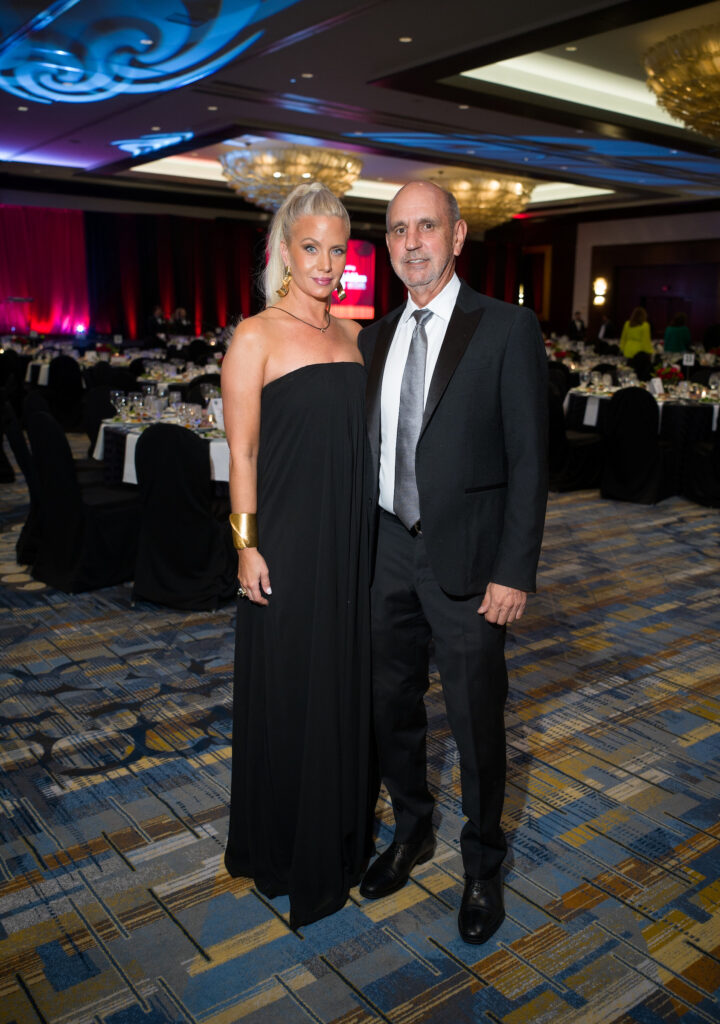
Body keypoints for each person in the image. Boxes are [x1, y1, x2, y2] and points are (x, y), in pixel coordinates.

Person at [358, 181, 548, 945]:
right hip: (387, 554)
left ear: (458, 234)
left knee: (475, 724)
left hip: (472, 565)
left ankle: (481, 866)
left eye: (426, 226)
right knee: (390, 709)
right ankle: (411, 831)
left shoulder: (505, 328)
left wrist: (516, 570)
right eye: (398, 230)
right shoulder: (373, 337)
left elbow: (531, 462)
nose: (412, 242)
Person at [221, 182, 373, 929]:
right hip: (283, 545)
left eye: (337, 248)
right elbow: (241, 452)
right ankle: (283, 848)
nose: (325, 261)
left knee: (343, 690)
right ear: (284, 251)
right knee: (291, 694)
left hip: (348, 544)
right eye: (311, 246)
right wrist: (246, 546)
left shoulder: (352, 336)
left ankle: (340, 837)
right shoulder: (255, 335)